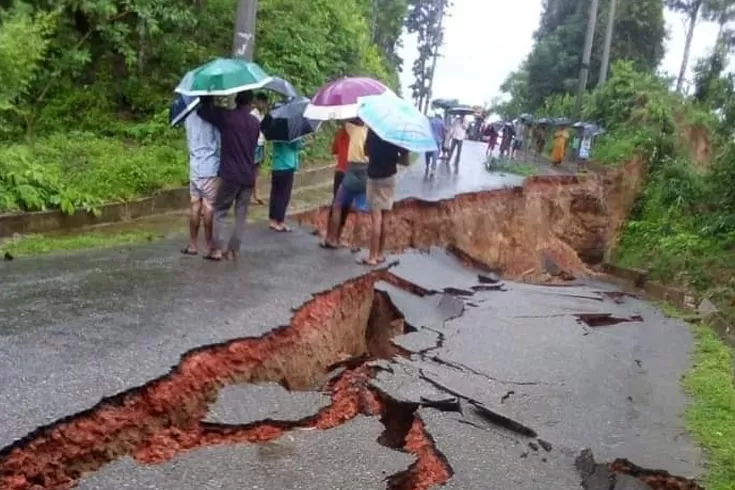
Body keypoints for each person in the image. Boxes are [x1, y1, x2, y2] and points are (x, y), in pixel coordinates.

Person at [197, 91, 260, 261]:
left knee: (220, 211)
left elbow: (203, 112)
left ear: (236, 101)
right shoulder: (255, 123)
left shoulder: (227, 118)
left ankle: (217, 249)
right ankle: (234, 250)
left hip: (230, 174)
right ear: (250, 103)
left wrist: (210, 100)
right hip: (248, 175)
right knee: (241, 214)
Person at [360, 129, 408, 266]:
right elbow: (406, 161)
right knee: (385, 217)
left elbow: (366, 152)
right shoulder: (397, 133)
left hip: (374, 179)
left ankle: (372, 257)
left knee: (376, 219)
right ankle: (380, 254)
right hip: (389, 179)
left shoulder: (373, 130)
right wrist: (393, 157)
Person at [321, 119, 369, 249]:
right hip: (366, 172)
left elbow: (340, 121)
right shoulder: (371, 133)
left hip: (349, 169)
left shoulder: (351, 129)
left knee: (337, 204)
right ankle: (356, 244)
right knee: (360, 209)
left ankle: (332, 238)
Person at [181, 97, 220, 256]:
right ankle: (210, 244)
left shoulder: (189, 118)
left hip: (195, 168)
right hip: (210, 168)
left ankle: (193, 244)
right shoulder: (214, 119)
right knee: (209, 207)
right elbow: (219, 144)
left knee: (195, 206)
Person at [269, 137, 306, 232]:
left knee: (275, 193)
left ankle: (273, 219)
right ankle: (279, 221)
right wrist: (301, 140)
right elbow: (296, 146)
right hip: (287, 166)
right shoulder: (292, 134)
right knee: (284, 195)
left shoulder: (276, 132)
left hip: (276, 166)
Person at [327, 123, 351, 237]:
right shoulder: (360, 133)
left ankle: (329, 235)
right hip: (352, 172)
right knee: (345, 206)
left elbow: (334, 150)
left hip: (340, 171)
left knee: (336, 204)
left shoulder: (341, 132)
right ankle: (338, 236)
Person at [250, 92, 269, 205]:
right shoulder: (253, 115)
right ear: (256, 102)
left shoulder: (263, 115)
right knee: (251, 169)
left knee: (257, 170)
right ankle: (250, 195)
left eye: (264, 102)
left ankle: (256, 193)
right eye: (261, 102)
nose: (263, 104)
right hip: (254, 144)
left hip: (261, 143)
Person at [426, 113, 445, 177]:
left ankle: (427, 163)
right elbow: (443, 132)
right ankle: (433, 170)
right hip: (437, 140)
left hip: (430, 140)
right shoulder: (442, 122)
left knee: (427, 152)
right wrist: (442, 139)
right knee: (435, 155)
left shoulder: (430, 121)